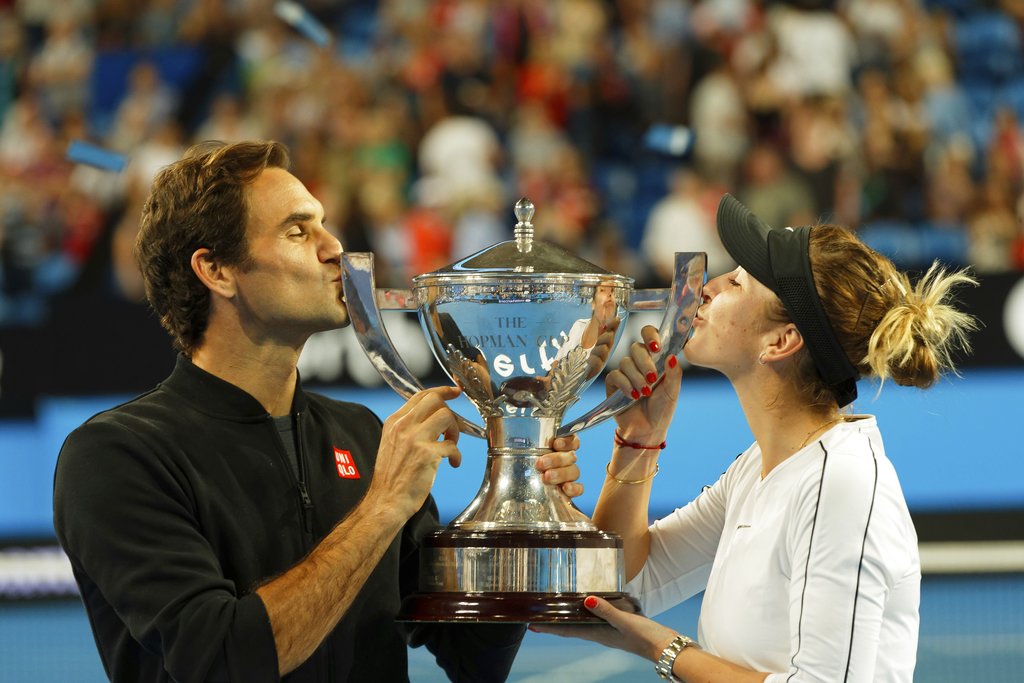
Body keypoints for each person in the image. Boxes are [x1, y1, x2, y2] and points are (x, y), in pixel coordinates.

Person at [52, 140, 584, 683]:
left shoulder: (358, 434)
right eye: (297, 231)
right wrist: (379, 509)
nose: (334, 247)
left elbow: (474, 654)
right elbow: (218, 660)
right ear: (216, 271)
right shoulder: (117, 456)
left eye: (324, 224)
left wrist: (521, 504)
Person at [534, 193, 977, 682]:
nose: (709, 287)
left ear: (780, 341)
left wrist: (663, 647)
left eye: (737, 281)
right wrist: (639, 441)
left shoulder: (840, 484)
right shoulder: (759, 468)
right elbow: (627, 579)